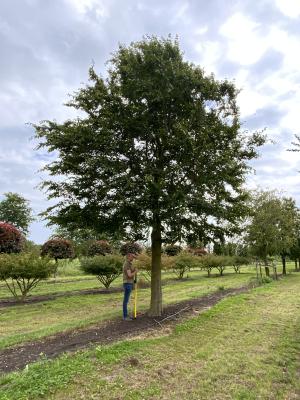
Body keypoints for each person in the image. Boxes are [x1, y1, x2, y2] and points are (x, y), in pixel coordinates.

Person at [122, 253, 137, 321]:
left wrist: (135, 269)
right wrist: (135, 272)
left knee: (127, 300)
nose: (133, 258)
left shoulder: (130, 263)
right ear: (128, 257)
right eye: (132, 257)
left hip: (129, 283)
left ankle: (126, 315)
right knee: (126, 300)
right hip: (127, 283)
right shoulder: (127, 264)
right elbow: (129, 275)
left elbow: (131, 272)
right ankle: (125, 316)